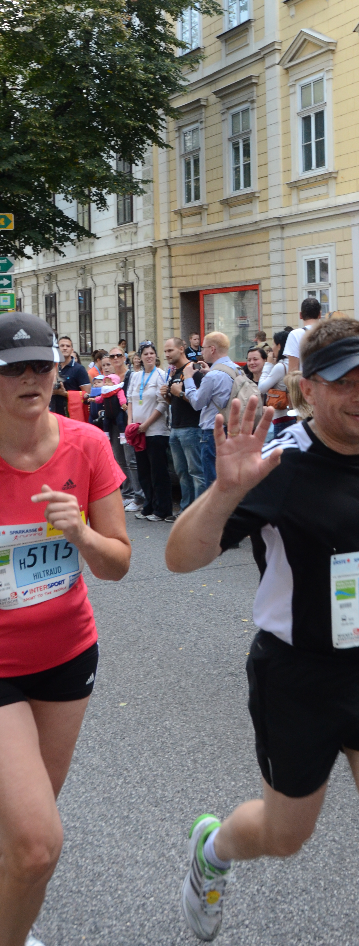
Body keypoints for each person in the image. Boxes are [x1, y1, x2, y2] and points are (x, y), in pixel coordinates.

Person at [164, 319, 359, 946]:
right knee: (285, 835)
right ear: (308, 387)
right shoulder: (278, 463)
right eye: (343, 383)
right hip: (298, 675)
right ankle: (213, 850)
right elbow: (180, 557)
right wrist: (224, 491)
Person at [0, 313, 131, 946]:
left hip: (66, 655)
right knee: (37, 845)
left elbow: (118, 564)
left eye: (42, 367)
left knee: (24, 831)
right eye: (14, 369)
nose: (31, 379)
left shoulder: (88, 444)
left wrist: (79, 532)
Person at [181, 332, 240, 489]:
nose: (201, 351)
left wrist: (188, 378)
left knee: (213, 483)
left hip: (213, 432)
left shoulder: (213, 376)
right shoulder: (236, 369)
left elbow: (196, 403)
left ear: (212, 349)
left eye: (204, 347)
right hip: (233, 429)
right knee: (231, 480)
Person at [126, 341, 173, 523]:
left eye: (152, 353)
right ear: (140, 357)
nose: (149, 356)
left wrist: (146, 424)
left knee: (158, 472)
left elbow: (163, 403)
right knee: (143, 472)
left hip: (155, 431)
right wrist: (130, 424)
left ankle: (163, 509)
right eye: (145, 354)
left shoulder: (161, 375)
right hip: (138, 432)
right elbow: (130, 400)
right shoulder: (135, 376)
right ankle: (149, 505)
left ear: (156, 355)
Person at [163, 338, 204, 512]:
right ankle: (186, 510)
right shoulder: (175, 372)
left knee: (196, 473)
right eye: (165, 351)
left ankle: (200, 513)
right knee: (182, 473)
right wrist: (168, 396)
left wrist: (179, 393)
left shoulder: (193, 370)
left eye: (170, 350)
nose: (167, 354)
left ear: (181, 349)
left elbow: (200, 401)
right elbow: (174, 402)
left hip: (192, 428)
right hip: (176, 428)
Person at [105, 344, 144, 512]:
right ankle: (127, 494)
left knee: (131, 460)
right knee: (119, 459)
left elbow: (135, 397)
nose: (115, 359)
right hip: (113, 422)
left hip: (127, 423)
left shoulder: (131, 375)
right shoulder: (109, 376)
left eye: (118, 355)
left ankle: (139, 496)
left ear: (124, 357)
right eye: (112, 356)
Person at [49, 336, 89, 418]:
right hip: (53, 412)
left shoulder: (79, 369)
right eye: (62, 346)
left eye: (68, 346)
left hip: (72, 414)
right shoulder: (52, 367)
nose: (65, 348)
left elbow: (87, 394)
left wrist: (65, 393)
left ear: (72, 350)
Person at [284, 299, 322, 373]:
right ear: (320, 314)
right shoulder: (329, 333)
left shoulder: (295, 335)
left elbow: (293, 372)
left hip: (305, 379)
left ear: (300, 315)